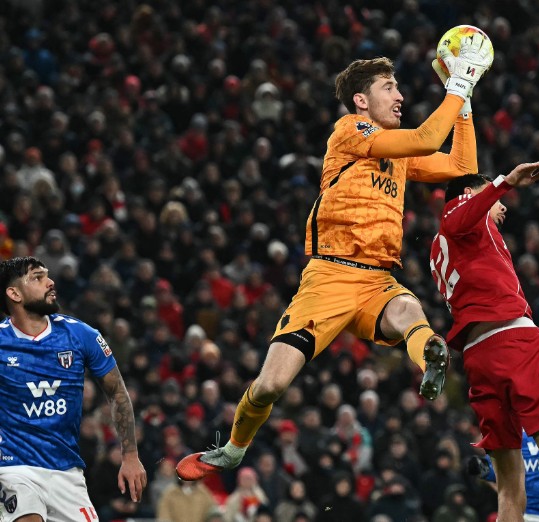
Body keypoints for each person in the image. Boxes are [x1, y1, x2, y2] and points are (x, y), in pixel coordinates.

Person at [176, 37, 494, 481]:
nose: (400, 96)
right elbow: (426, 137)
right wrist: (457, 85)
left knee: (407, 309)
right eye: (389, 87)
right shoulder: (350, 130)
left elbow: (464, 167)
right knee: (270, 385)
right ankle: (232, 449)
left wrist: (464, 104)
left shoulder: (396, 156)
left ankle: (432, 359)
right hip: (329, 277)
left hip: (378, 280)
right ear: (361, 101)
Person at [430, 165, 539, 521]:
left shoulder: (442, 248)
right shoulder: (460, 218)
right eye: (490, 194)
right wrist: (504, 182)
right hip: (515, 344)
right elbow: (461, 214)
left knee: (509, 485)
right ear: (471, 194)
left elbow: (484, 312)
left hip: (481, 355)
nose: (503, 206)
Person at [0, 256, 147, 521]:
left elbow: (117, 393)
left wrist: (131, 455)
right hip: (14, 467)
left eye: (47, 274)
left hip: (66, 471)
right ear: (14, 293)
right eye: (37, 277)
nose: (50, 281)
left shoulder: (81, 335)